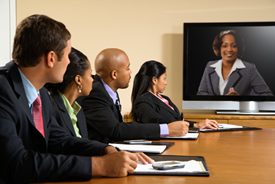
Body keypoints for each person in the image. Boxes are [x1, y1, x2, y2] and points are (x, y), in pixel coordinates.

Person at [0, 15, 152, 184]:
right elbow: (16, 164)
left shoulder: (40, 91)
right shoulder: (2, 91)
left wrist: (106, 150)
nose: (68, 62)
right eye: (67, 55)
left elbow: (60, 140)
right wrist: (99, 166)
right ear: (51, 59)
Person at [77, 48, 189, 143]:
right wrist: (165, 129)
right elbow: (116, 130)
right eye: (127, 68)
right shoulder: (95, 92)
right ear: (114, 74)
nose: (131, 72)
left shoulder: (108, 91)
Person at [130, 60, 219, 129]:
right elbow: (156, 121)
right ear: (154, 80)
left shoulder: (165, 99)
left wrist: (198, 124)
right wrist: (195, 126)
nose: (166, 82)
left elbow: (177, 121)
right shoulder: (142, 101)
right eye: (164, 78)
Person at [197, 30, 273, 96]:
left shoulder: (249, 69)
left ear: (238, 48)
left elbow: (267, 94)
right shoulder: (210, 66)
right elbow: (201, 94)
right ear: (219, 48)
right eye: (224, 46)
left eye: (234, 46)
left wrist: (241, 98)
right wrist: (221, 100)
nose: (229, 49)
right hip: (213, 111)